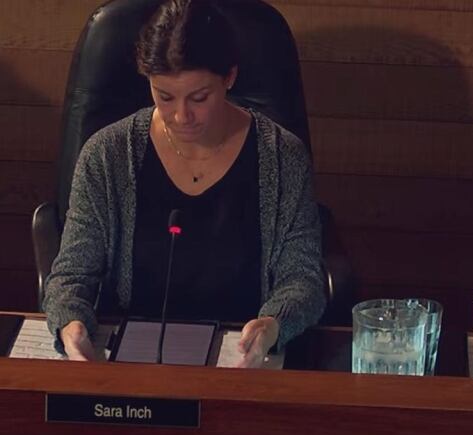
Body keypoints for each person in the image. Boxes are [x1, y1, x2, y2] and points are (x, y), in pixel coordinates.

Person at [43, 0, 325, 367]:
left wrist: (273, 325)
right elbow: (71, 274)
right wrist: (71, 324)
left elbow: (302, 277)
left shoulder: (282, 156)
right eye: (164, 96)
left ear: (230, 78)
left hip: (243, 356)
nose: (181, 116)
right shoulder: (107, 154)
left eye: (199, 98)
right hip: (132, 354)